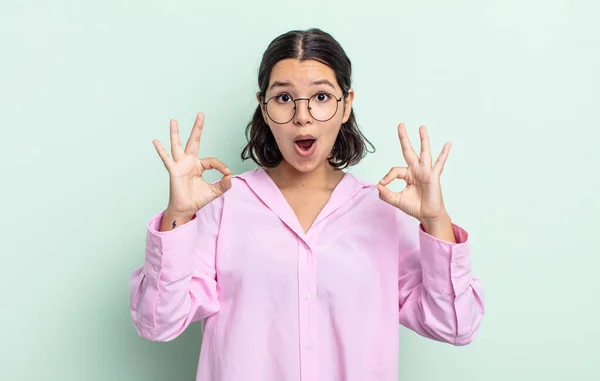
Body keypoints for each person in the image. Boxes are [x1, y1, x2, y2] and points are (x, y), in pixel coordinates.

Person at [129, 28, 485, 381]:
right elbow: (159, 323)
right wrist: (178, 215)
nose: (303, 116)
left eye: (321, 97)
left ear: (346, 105)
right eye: (284, 98)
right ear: (264, 109)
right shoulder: (223, 206)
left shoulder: (384, 211)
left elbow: (454, 325)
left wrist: (436, 219)